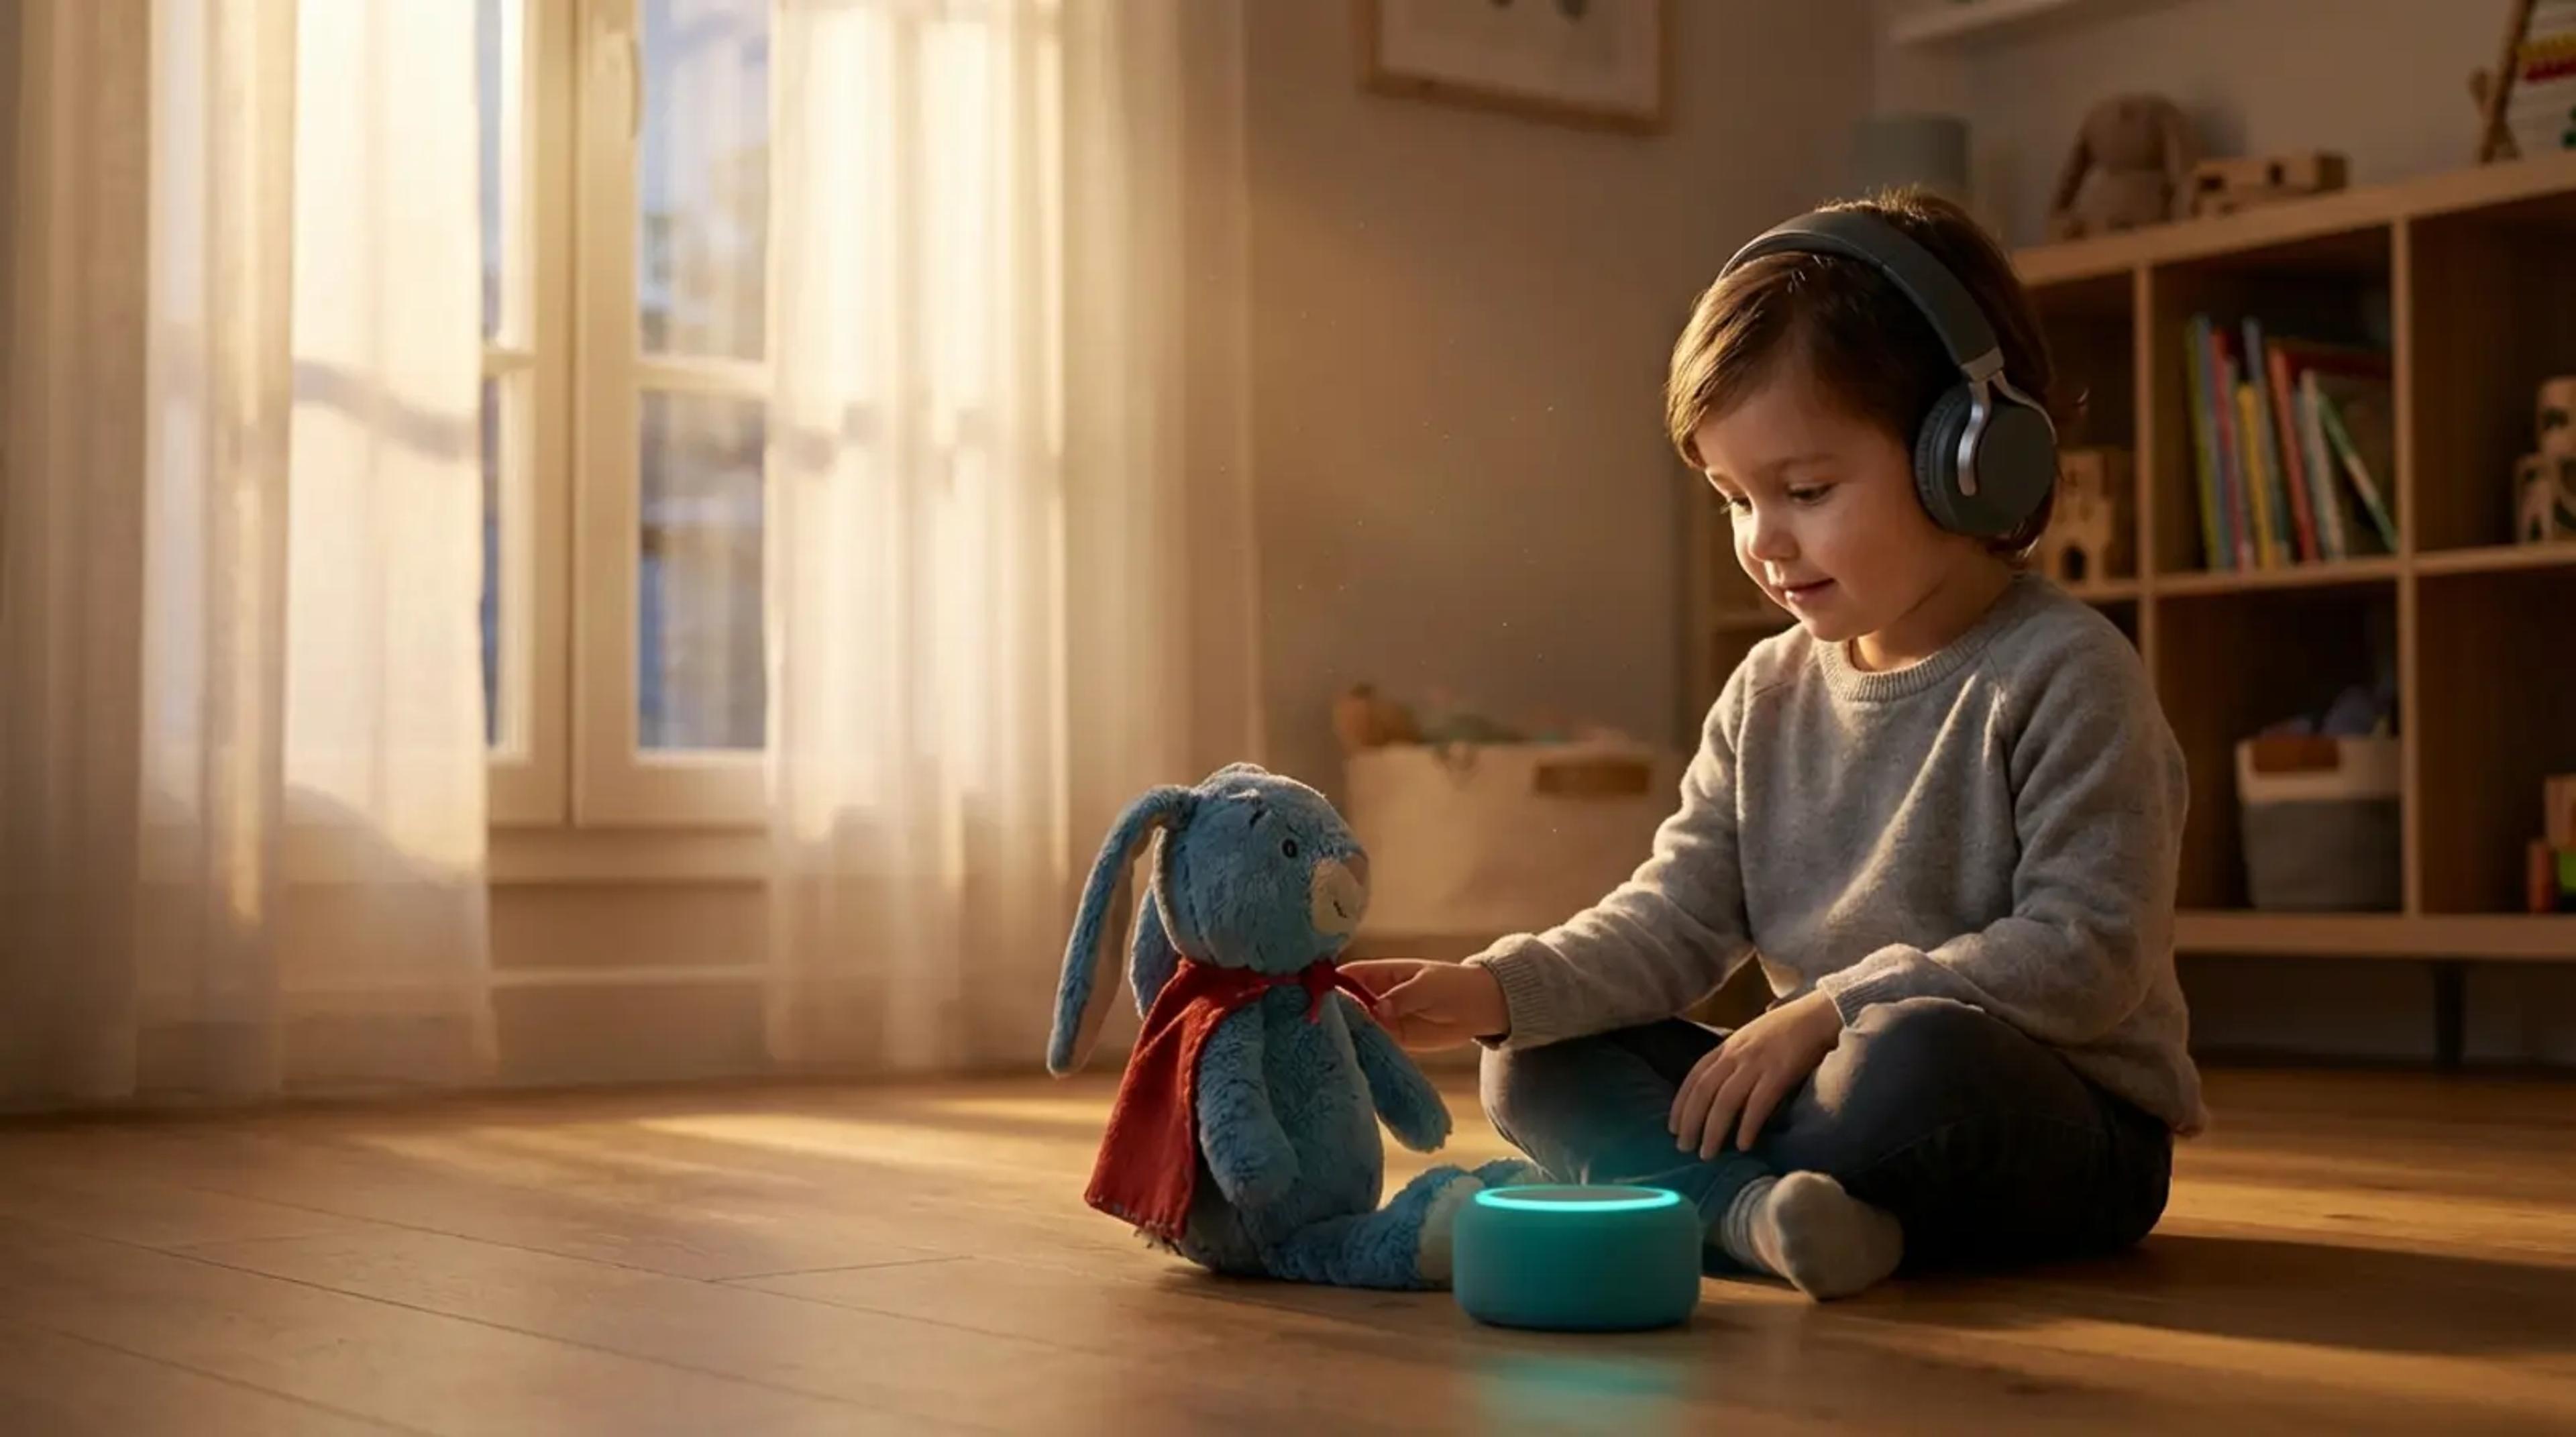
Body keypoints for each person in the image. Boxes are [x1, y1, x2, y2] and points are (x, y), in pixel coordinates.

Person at [1344, 187, 2202, 1302]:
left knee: (1913, 1065)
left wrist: (1832, 1010)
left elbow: (2085, 956)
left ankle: (1707, 1195)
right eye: (1732, 500)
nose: (1764, 542)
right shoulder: (1764, 693)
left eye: (1803, 489)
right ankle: (1770, 1219)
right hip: (1818, 1085)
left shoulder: (2068, 673)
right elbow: (1676, 917)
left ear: (1969, 454)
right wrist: (1499, 986)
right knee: (1536, 1054)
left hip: (2036, 1114)